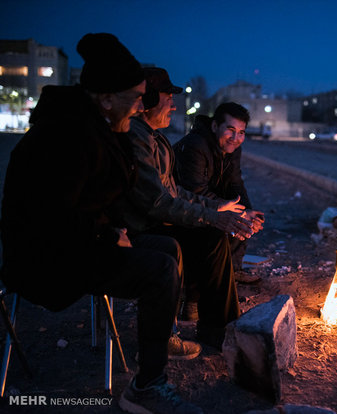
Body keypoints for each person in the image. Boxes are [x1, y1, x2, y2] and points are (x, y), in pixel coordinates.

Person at [0, 34, 202, 414]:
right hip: (46, 259)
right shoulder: (64, 137)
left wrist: (112, 231)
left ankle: (159, 350)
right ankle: (146, 387)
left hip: (77, 242)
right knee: (158, 269)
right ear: (106, 99)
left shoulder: (99, 127)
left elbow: (96, 199)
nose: (144, 105)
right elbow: (51, 218)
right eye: (137, 97)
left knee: (167, 247)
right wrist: (110, 235)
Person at [114, 67, 255, 351]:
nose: (174, 105)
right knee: (209, 234)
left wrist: (223, 208)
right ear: (147, 102)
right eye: (168, 98)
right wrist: (213, 215)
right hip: (143, 227)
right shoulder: (137, 138)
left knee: (214, 235)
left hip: (157, 220)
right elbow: (157, 203)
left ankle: (218, 331)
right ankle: (207, 322)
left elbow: (177, 192)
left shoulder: (156, 139)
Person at [173, 102, 265, 285]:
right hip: (178, 211)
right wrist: (238, 213)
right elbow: (196, 191)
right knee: (231, 220)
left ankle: (232, 270)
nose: (235, 138)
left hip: (207, 204)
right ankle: (197, 292)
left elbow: (235, 183)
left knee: (243, 218)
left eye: (241, 132)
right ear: (215, 126)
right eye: (230, 129)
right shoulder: (195, 145)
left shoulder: (232, 149)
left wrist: (248, 212)